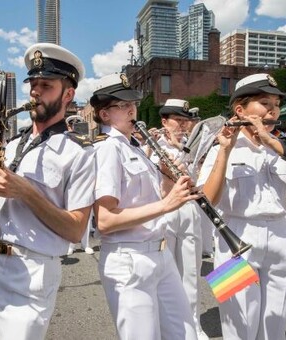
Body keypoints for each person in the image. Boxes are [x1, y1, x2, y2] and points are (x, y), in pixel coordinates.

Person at [0, 43, 95, 340]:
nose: (35, 92)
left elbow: (76, 230)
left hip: (30, 276)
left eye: (46, 85)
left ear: (68, 95)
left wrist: (26, 192)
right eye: (33, 84)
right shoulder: (9, 145)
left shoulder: (79, 154)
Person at [198, 73, 286, 340]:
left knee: (275, 321)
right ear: (240, 110)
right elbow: (207, 201)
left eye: (276, 104)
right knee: (237, 322)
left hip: (280, 235)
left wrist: (278, 146)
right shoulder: (220, 147)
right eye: (264, 103)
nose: (273, 110)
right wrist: (225, 150)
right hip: (233, 237)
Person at [90, 73, 199, 340]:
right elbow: (105, 220)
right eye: (123, 105)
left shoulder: (135, 147)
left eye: (133, 103)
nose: (132, 109)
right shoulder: (107, 149)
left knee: (185, 334)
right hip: (130, 259)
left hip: (159, 253)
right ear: (104, 114)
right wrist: (166, 204)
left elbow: (151, 199)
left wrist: (167, 178)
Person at [149, 99, 209, 340]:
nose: (184, 126)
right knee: (165, 272)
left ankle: (193, 324)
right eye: (178, 121)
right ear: (165, 121)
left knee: (191, 272)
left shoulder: (193, 147)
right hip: (165, 211)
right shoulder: (151, 146)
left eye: (187, 121)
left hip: (190, 210)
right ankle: (165, 324)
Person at [65, 114, 94, 256]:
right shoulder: (64, 139)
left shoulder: (86, 141)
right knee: (70, 213)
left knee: (86, 215)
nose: (74, 127)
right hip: (69, 181)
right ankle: (70, 244)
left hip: (85, 180)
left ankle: (86, 243)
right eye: (72, 125)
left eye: (77, 124)